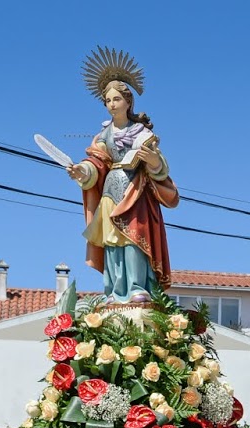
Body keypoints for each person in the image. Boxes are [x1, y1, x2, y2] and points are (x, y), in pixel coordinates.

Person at [65, 66, 178, 303]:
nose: (112, 104)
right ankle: (115, 290)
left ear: (128, 101)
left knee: (134, 240)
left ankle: (137, 287)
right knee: (113, 243)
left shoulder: (141, 133)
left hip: (135, 193)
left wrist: (153, 161)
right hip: (110, 191)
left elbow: (158, 166)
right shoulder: (104, 135)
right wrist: (81, 171)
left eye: (116, 99)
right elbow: (96, 162)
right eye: (107, 100)